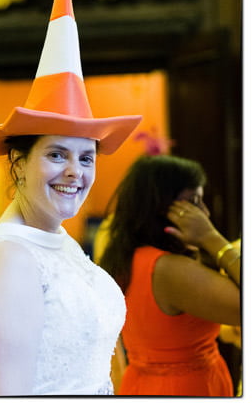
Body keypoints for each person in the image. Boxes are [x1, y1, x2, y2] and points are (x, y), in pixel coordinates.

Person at [0, 0, 142, 396]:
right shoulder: (7, 257)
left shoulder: (58, 241)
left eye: (86, 157)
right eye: (57, 154)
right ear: (18, 162)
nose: (76, 172)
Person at [98, 154, 240, 396]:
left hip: (145, 383)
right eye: (194, 202)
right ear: (163, 208)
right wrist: (211, 238)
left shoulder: (128, 255)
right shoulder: (168, 270)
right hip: (184, 388)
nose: (204, 213)